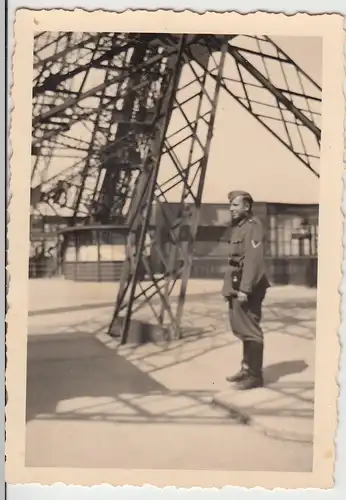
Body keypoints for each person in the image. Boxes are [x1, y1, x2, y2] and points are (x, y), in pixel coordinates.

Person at [222, 190, 270, 390]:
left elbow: (253, 260)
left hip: (246, 286)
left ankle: (254, 376)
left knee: (251, 330)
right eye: (230, 205)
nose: (231, 208)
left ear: (246, 206)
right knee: (242, 329)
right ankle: (246, 368)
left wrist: (245, 289)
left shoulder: (253, 227)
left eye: (235, 205)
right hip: (237, 284)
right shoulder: (240, 227)